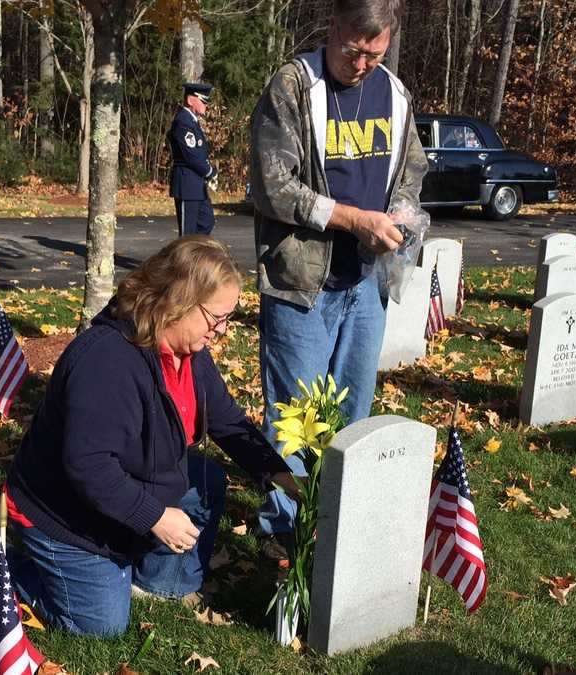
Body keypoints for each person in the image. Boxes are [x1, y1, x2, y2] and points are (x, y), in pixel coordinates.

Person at [2, 236, 298, 637]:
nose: (223, 330)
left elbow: (228, 420)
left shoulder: (190, 353)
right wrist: (154, 517)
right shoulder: (107, 360)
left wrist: (281, 477)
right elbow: (88, 467)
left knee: (205, 481)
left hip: (122, 482)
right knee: (102, 626)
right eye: (217, 318)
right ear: (177, 300)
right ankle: (8, 567)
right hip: (62, 511)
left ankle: (156, 583)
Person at [247, 0, 427, 537]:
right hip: (303, 284)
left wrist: (400, 212)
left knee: (352, 417)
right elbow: (271, 187)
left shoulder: (393, 94)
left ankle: (336, 536)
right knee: (296, 425)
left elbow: (412, 168)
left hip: (368, 281)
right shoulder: (293, 87)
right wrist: (352, 220)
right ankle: (284, 540)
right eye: (353, 50)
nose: (363, 63)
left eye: (375, 53)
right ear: (333, 29)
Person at [167, 82, 218, 236]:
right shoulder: (183, 121)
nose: (206, 105)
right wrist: (209, 172)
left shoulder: (191, 121)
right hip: (187, 183)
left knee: (206, 222)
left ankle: (195, 259)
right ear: (190, 100)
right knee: (187, 234)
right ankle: (181, 261)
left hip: (196, 185)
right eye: (203, 101)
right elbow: (191, 155)